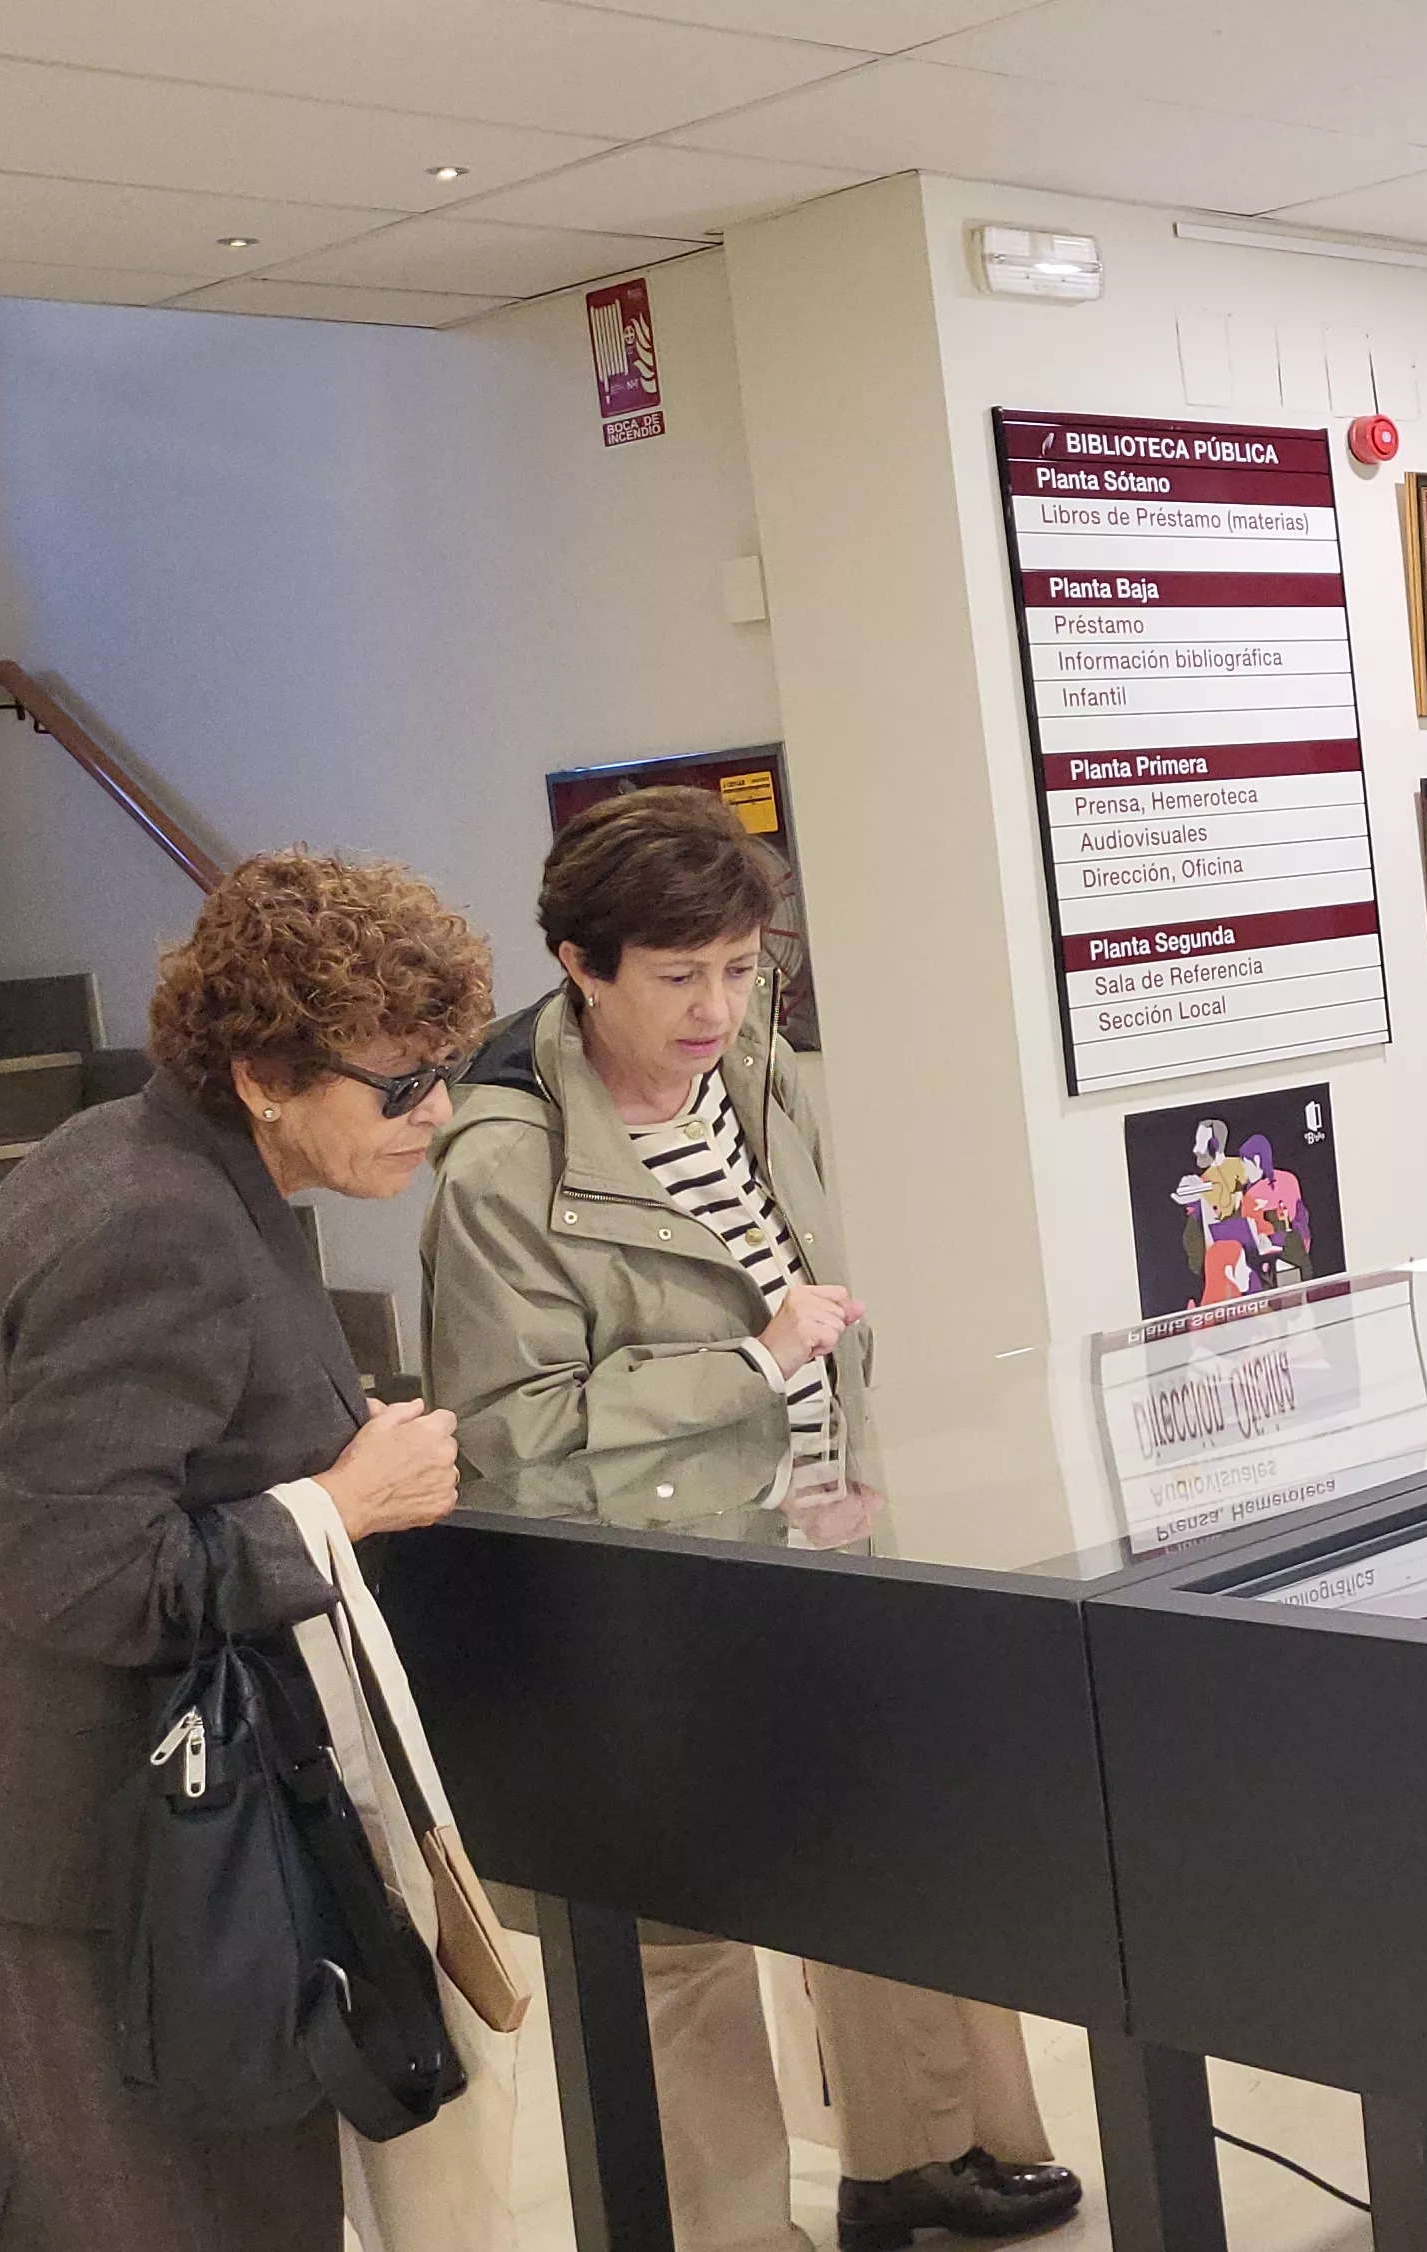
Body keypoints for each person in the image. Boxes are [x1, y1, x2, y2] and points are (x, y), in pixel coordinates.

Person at [420, 787, 1080, 2248]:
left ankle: (917, 2155)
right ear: (582, 966)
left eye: (740, 965)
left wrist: (829, 1435)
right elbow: (512, 1438)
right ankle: (723, 2236)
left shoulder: (753, 1068)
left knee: (896, 1855)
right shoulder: (504, 1163)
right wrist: (748, 1370)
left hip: (812, 1553)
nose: (720, 1004)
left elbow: (813, 1290)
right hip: (646, 1610)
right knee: (681, 1950)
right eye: (679, 977)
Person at [0, 852, 485, 2249]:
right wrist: (338, 1506)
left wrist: (308, 1445)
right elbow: (76, 1569)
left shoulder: (148, 1158)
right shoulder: (158, 1222)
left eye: (448, 1068)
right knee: (181, 2209)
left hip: (39, 1801)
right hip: (82, 1825)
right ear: (263, 1071)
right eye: (398, 1084)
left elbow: (147, 1434)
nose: (434, 1111)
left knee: (61, 2200)